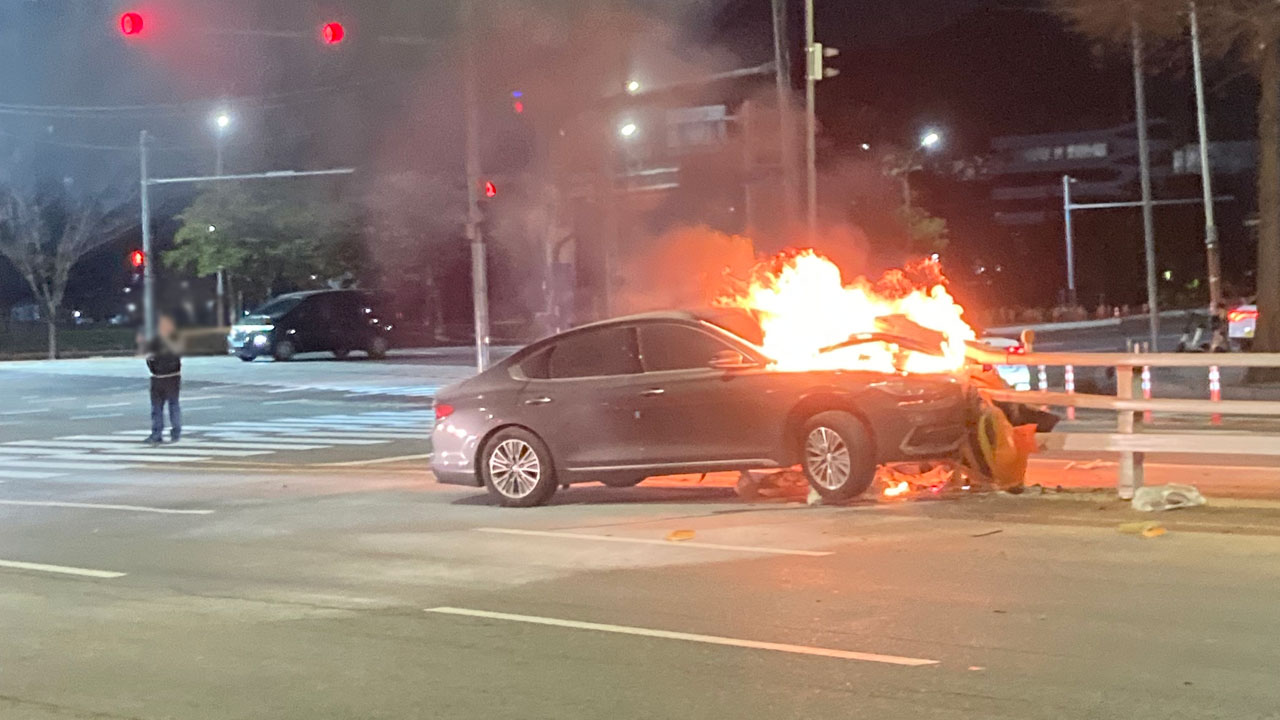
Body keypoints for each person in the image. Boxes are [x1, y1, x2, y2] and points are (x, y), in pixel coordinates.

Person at [142, 315, 183, 445]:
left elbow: (149, 359)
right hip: (174, 376)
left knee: (157, 408)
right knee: (174, 404)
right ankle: (176, 433)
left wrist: (154, 370)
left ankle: (157, 434)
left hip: (158, 378)